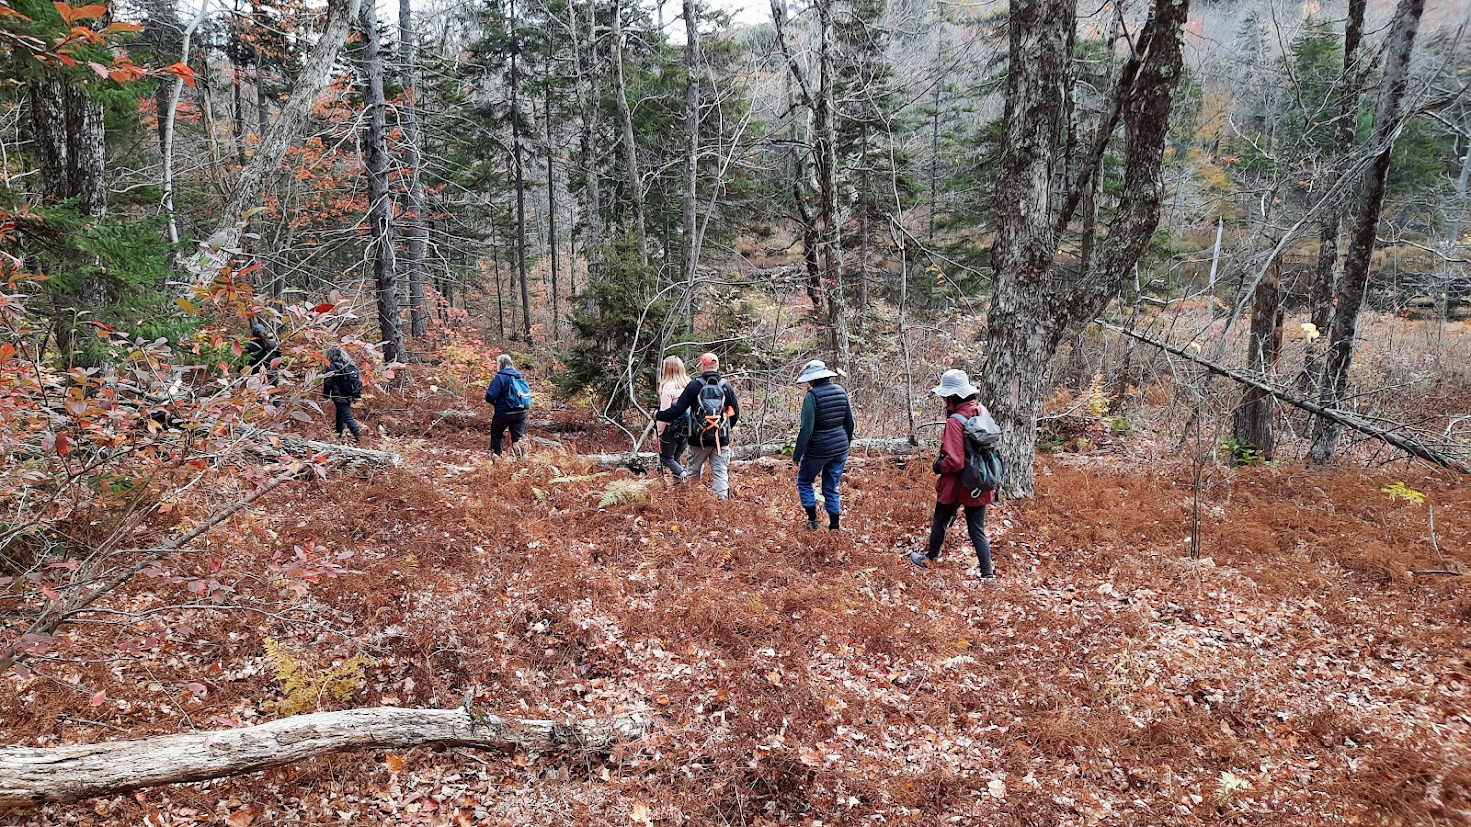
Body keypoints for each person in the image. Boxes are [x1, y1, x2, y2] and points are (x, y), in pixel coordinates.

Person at [910, 369, 996, 580]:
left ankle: (929, 558)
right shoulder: (980, 410)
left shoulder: (955, 422)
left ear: (951, 397)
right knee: (977, 529)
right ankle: (988, 576)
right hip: (980, 479)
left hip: (958, 484)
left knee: (940, 519)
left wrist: (939, 466)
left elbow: (955, 461)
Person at [657, 352, 739, 499]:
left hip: (697, 440)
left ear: (702, 366)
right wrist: (723, 430)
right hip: (720, 441)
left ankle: (693, 504)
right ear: (717, 366)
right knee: (720, 473)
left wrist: (658, 415)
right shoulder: (726, 387)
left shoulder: (694, 386)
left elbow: (677, 410)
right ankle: (721, 506)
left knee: (693, 473)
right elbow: (735, 414)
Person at [790, 359, 854, 531]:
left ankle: (812, 521)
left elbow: (806, 430)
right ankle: (834, 526)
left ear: (812, 379)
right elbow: (850, 423)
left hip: (818, 449)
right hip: (840, 448)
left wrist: (797, 456)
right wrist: (845, 444)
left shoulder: (812, 397)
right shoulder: (841, 391)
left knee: (804, 481)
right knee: (831, 486)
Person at [484, 353, 532, 456]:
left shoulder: (500, 377)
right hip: (521, 412)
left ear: (500, 364)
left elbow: (490, 396)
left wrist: (497, 404)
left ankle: (497, 461)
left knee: (496, 436)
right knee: (517, 439)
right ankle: (521, 462)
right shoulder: (520, 377)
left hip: (504, 412)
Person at [656, 355, 691, 479]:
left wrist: (659, 432)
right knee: (676, 457)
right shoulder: (689, 384)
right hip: (688, 428)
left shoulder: (668, 387)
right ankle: (681, 489)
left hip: (672, 429)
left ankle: (684, 475)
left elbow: (665, 413)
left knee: (666, 458)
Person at [321, 345, 363, 443]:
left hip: (339, 395)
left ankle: (359, 436)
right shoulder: (350, 365)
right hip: (350, 394)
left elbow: (328, 381)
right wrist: (357, 395)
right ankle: (338, 434)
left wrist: (326, 395)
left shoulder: (331, 366)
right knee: (340, 414)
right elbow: (358, 381)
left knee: (347, 416)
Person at [245, 321, 282, 407]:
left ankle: (258, 412)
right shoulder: (273, 344)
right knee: (273, 391)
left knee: (256, 393)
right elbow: (279, 357)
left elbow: (245, 360)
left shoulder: (250, 345)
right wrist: (277, 368)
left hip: (257, 372)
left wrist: (240, 371)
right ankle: (278, 410)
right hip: (272, 371)